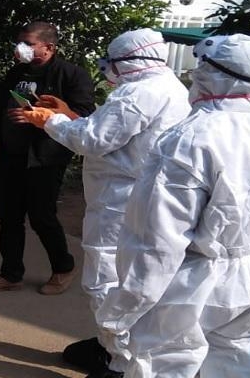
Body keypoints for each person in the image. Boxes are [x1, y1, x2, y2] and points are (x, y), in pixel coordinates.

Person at [94, 34, 250, 378]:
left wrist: (121, 311)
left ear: (209, 74)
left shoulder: (189, 139)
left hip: (194, 290)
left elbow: (155, 243)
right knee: (244, 369)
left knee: (163, 367)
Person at [15, 28, 191, 377]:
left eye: (111, 62)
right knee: (136, 279)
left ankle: (117, 360)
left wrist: (51, 121)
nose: (108, 69)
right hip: (144, 198)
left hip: (119, 201)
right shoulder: (170, 88)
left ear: (129, 62)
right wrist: (70, 115)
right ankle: (112, 346)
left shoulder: (136, 93)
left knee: (105, 279)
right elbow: (116, 133)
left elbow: (93, 140)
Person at [0, 21, 95, 295]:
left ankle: (63, 267)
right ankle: (10, 274)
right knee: (8, 215)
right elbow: (0, 109)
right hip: (12, 153)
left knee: (41, 216)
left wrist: (42, 116)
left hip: (46, 156)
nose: (21, 48)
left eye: (28, 43)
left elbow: (84, 116)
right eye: (20, 42)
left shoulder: (72, 75)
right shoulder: (17, 72)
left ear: (48, 47)